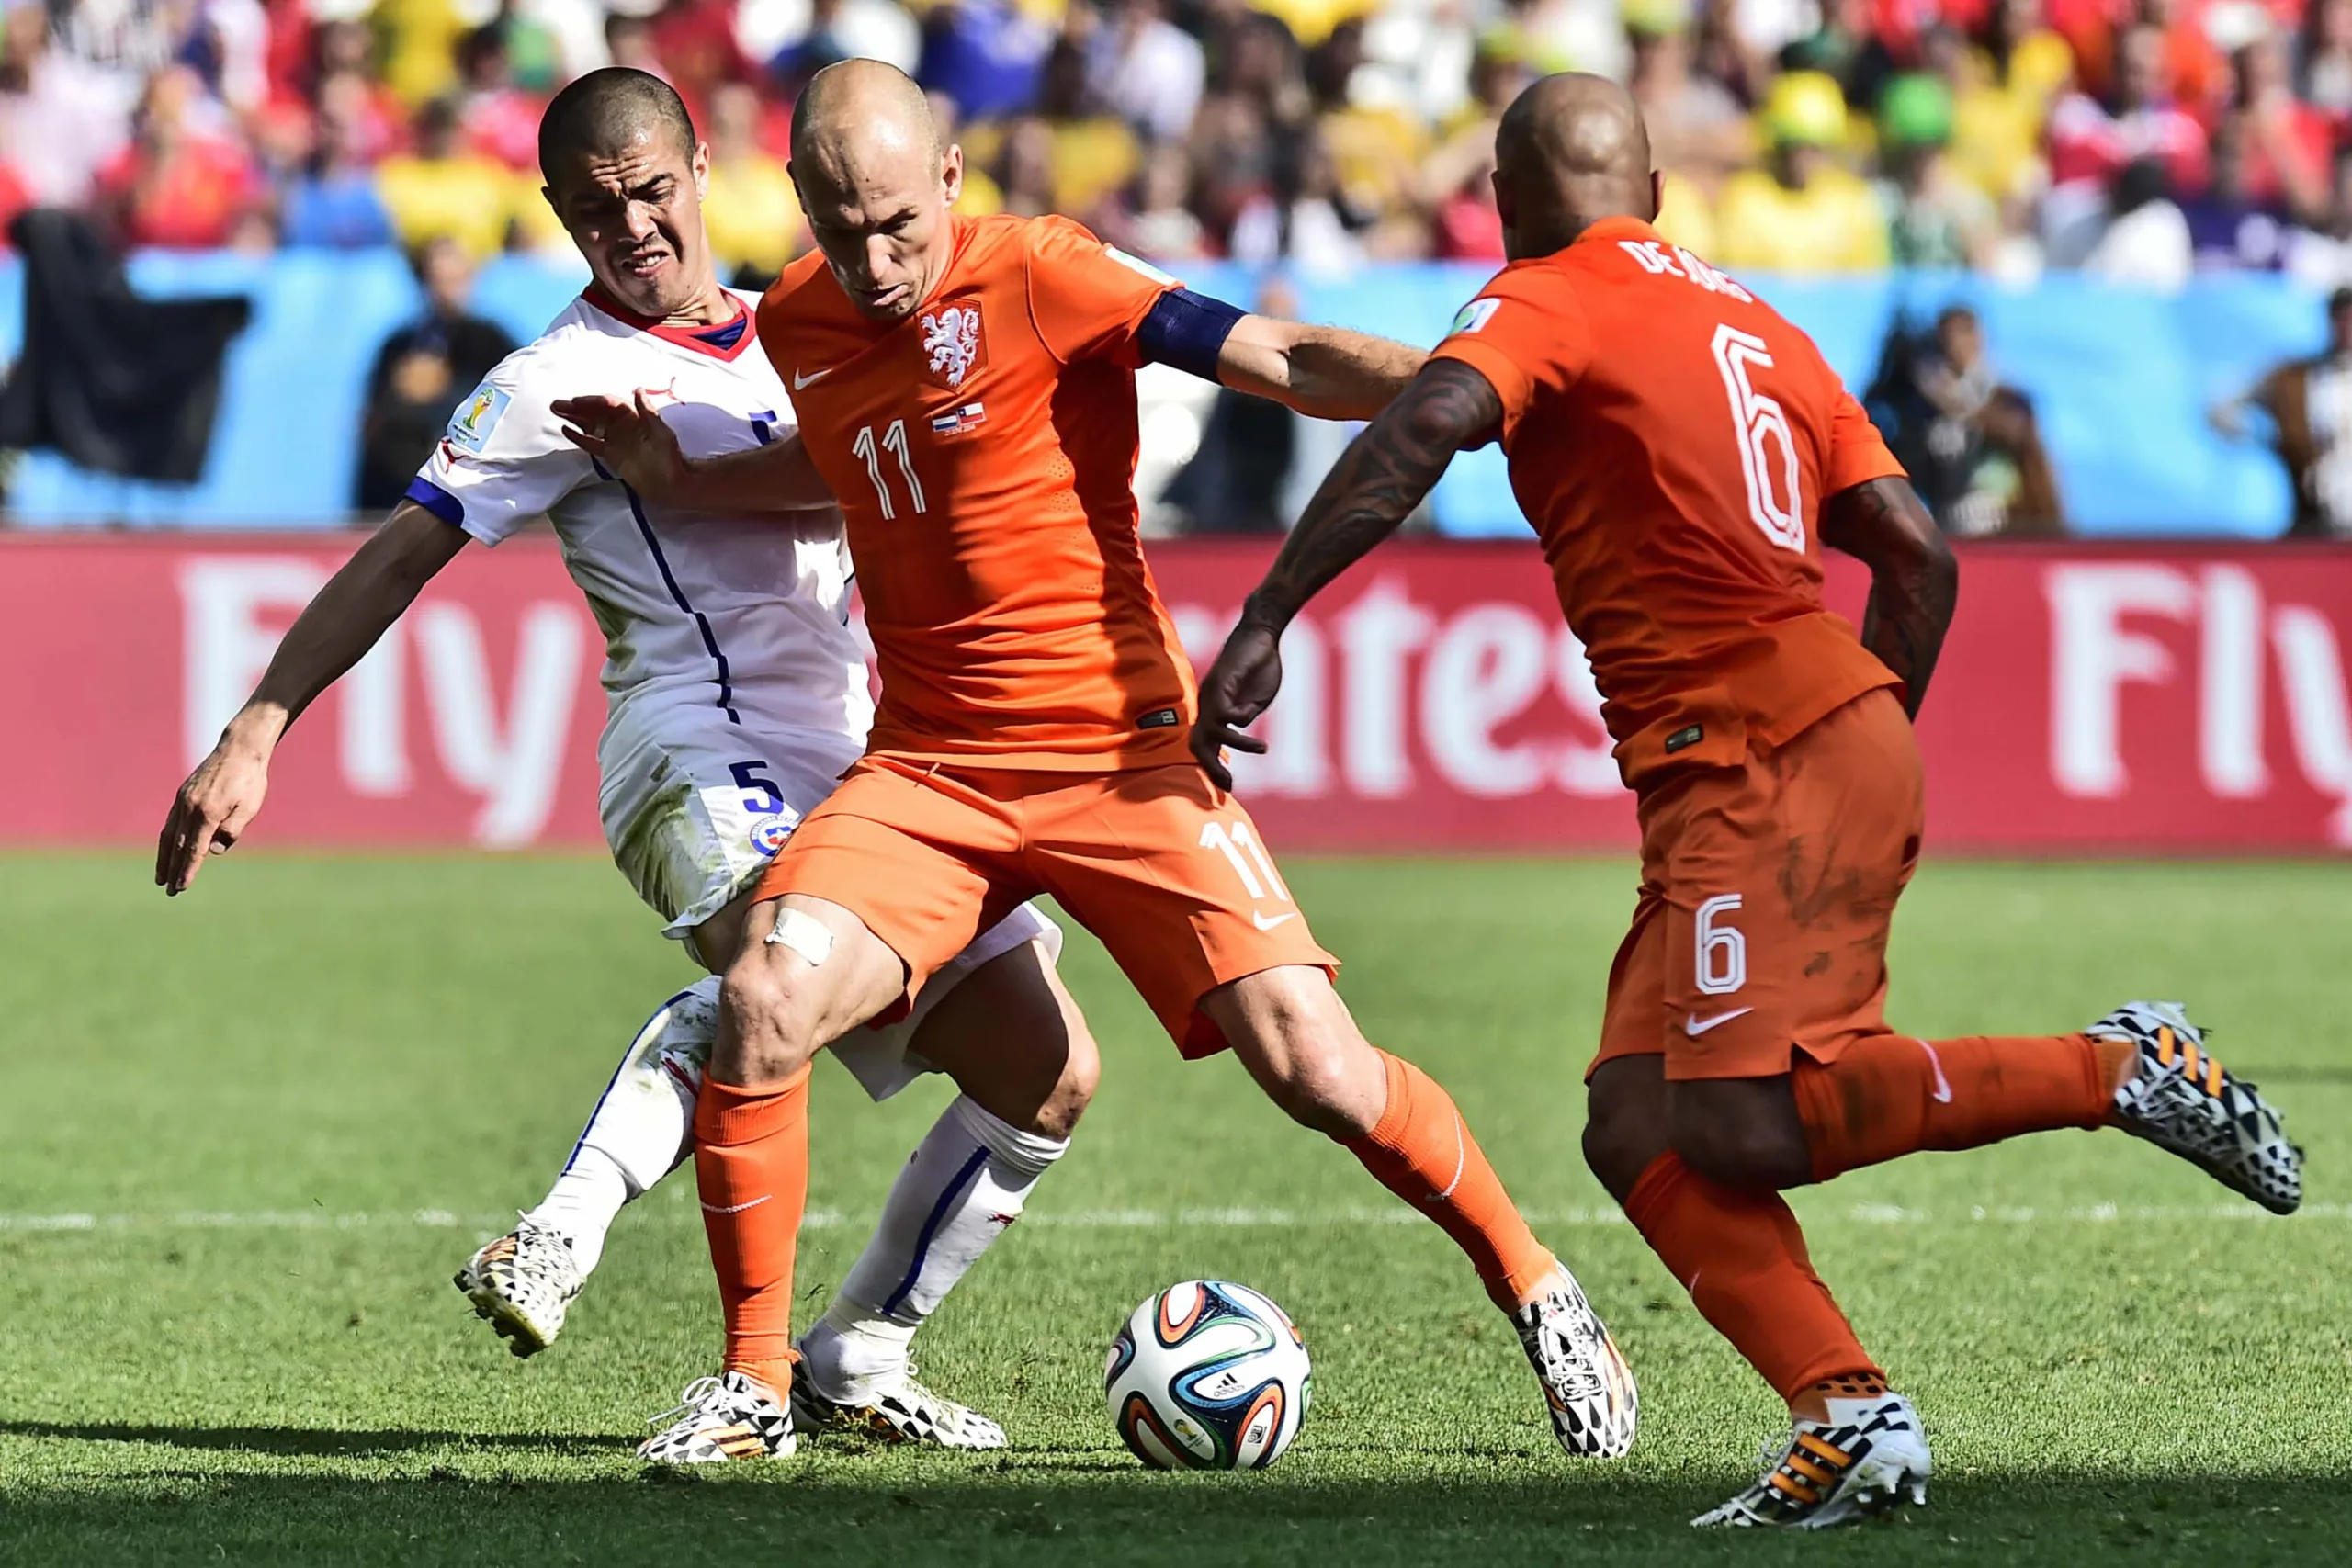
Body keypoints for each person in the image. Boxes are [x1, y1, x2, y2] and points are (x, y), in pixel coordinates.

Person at [1193, 73, 2302, 1530]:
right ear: (1650, 190)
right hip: (1798, 738)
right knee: (1635, 1121)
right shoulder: (1763, 326)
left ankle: (2118, 1067)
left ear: (1512, 206)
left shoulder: (1544, 295)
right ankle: (1847, 1412)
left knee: (1749, 1124)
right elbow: (1919, 555)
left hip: (1752, 758)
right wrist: (1854, 735)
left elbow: (1426, 427)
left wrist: (1268, 611)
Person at [572, 57, 1636, 1468]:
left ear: (951, 177)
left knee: (1313, 1062)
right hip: (932, 770)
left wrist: (1482, 386)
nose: (876, 261)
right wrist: (699, 480)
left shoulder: (1047, 272)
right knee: (768, 990)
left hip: (1115, 754)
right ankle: (755, 1388)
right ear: (801, 210)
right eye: (842, 229)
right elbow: (859, 456)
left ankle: (1538, 1284)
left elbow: (1281, 359)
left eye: (899, 222)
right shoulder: (812, 316)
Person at [156, 67, 1102, 1457]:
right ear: (561, 215)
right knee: (779, 972)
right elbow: (403, 549)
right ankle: (642, 1292)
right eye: (600, 213)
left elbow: (917, 468)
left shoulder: (814, 326)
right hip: (695, 750)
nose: (636, 229)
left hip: (869, 754)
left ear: (702, 172)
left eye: (654, 192)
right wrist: (259, 721)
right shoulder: (551, 381)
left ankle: (857, 1351)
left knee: (1050, 1068)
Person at [354, 236, 518, 512]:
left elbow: (510, 408)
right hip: (400, 483)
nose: (449, 290)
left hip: (469, 489)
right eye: (440, 279)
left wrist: (444, 392)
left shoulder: (490, 341)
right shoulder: (400, 344)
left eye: (458, 278)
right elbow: (374, 417)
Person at [2212, 284, 2352, 536]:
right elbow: (2223, 409)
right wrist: (2264, 438)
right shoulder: (2296, 376)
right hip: (2316, 515)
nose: (2347, 327)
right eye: (2342, 318)